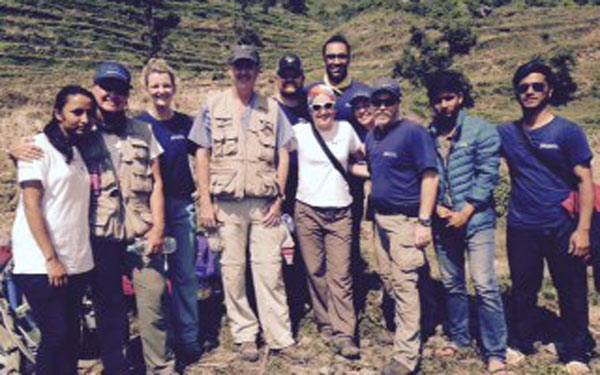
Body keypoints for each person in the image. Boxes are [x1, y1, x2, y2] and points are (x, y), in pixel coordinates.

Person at [10, 62, 174, 374]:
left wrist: (159, 228)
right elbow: (44, 147)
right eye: (106, 88)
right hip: (99, 239)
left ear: (127, 95)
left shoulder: (143, 131)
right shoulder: (81, 133)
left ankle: (161, 367)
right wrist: (13, 149)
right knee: (108, 311)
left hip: (141, 235)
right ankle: (117, 367)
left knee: (152, 307)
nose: (113, 95)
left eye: (120, 90)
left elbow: (157, 183)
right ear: (95, 91)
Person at [189, 45, 299, 362]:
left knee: (270, 272)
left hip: (264, 204)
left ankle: (280, 337)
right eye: (238, 66)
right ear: (230, 69)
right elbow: (202, 154)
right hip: (226, 204)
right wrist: (206, 203)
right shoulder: (213, 106)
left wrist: (280, 199)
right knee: (233, 272)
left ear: (258, 70)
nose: (243, 72)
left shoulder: (272, 108)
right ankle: (245, 334)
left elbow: (283, 153)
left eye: (249, 66)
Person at [498, 60, 595, 375]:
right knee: (524, 287)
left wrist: (583, 230)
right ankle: (522, 340)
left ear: (549, 90)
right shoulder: (507, 133)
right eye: (524, 87)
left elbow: (585, 181)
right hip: (521, 224)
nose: (530, 91)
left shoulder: (568, 131)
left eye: (537, 86)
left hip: (562, 225)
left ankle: (577, 350)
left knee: (571, 288)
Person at [425, 70, 509, 373]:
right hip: (444, 221)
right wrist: (435, 207)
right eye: (438, 100)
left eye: (449, 98)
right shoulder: (429, 134)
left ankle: (496, 351)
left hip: (478, 221)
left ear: (460, 98)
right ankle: (459, 337)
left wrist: (467, 210)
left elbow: (488, 175)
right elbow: (427, 176)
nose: (444, 105)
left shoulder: (481, 131)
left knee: (485, 284)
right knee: (452, 283)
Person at [11, 85, 97, 375]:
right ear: (57, 113)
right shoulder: (37, 148)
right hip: (41, 262)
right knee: (56, 334)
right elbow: (32, 206)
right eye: (76, 112)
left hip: (75, 259)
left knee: (72, 335)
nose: (84, 118)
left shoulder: (76, 149)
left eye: (88, 112)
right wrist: (51, 258)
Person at [364, 77, 439, 375]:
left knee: (404, 284)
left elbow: (430, 177)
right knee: (388, 277)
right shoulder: (373, 136)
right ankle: (424, 321)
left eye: (388, 101)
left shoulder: (413, 133)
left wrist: (423, 221)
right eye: (377, 102)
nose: (382, 107)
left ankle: (406, 356)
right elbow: (373, 170)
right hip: (380, 219)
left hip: (406, 221)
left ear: (398, 103)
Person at [136, 58, 202, 371]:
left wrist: (205, 194)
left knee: (185, 276)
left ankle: (189, 338)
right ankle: (163, 342)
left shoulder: (185, 124)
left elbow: (203, 156)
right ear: (146, 89)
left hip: (181, 207)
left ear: (174, 88)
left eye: (166, 85)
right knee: (155, 282)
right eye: (155, 86)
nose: (161, 91)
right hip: (147, 211)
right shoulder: (137, 124)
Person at [293, 84, 362, 359]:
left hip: (340, 212)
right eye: (317, 107)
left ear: (335, 107)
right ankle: (325, 323)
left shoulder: (346, 130)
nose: (323, 112)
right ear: (310, 111)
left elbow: (362, 155)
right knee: (315, 270)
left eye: (328, 106)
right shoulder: (298, 133)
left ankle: (345, 333)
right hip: (307, 210)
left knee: (341, 274)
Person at [310, 34, 370, 123]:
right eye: (331, 57)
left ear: (349, 58)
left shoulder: (365, 93)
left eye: (341, 56)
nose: (336, 62)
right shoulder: (310, 93)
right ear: (324, 59)